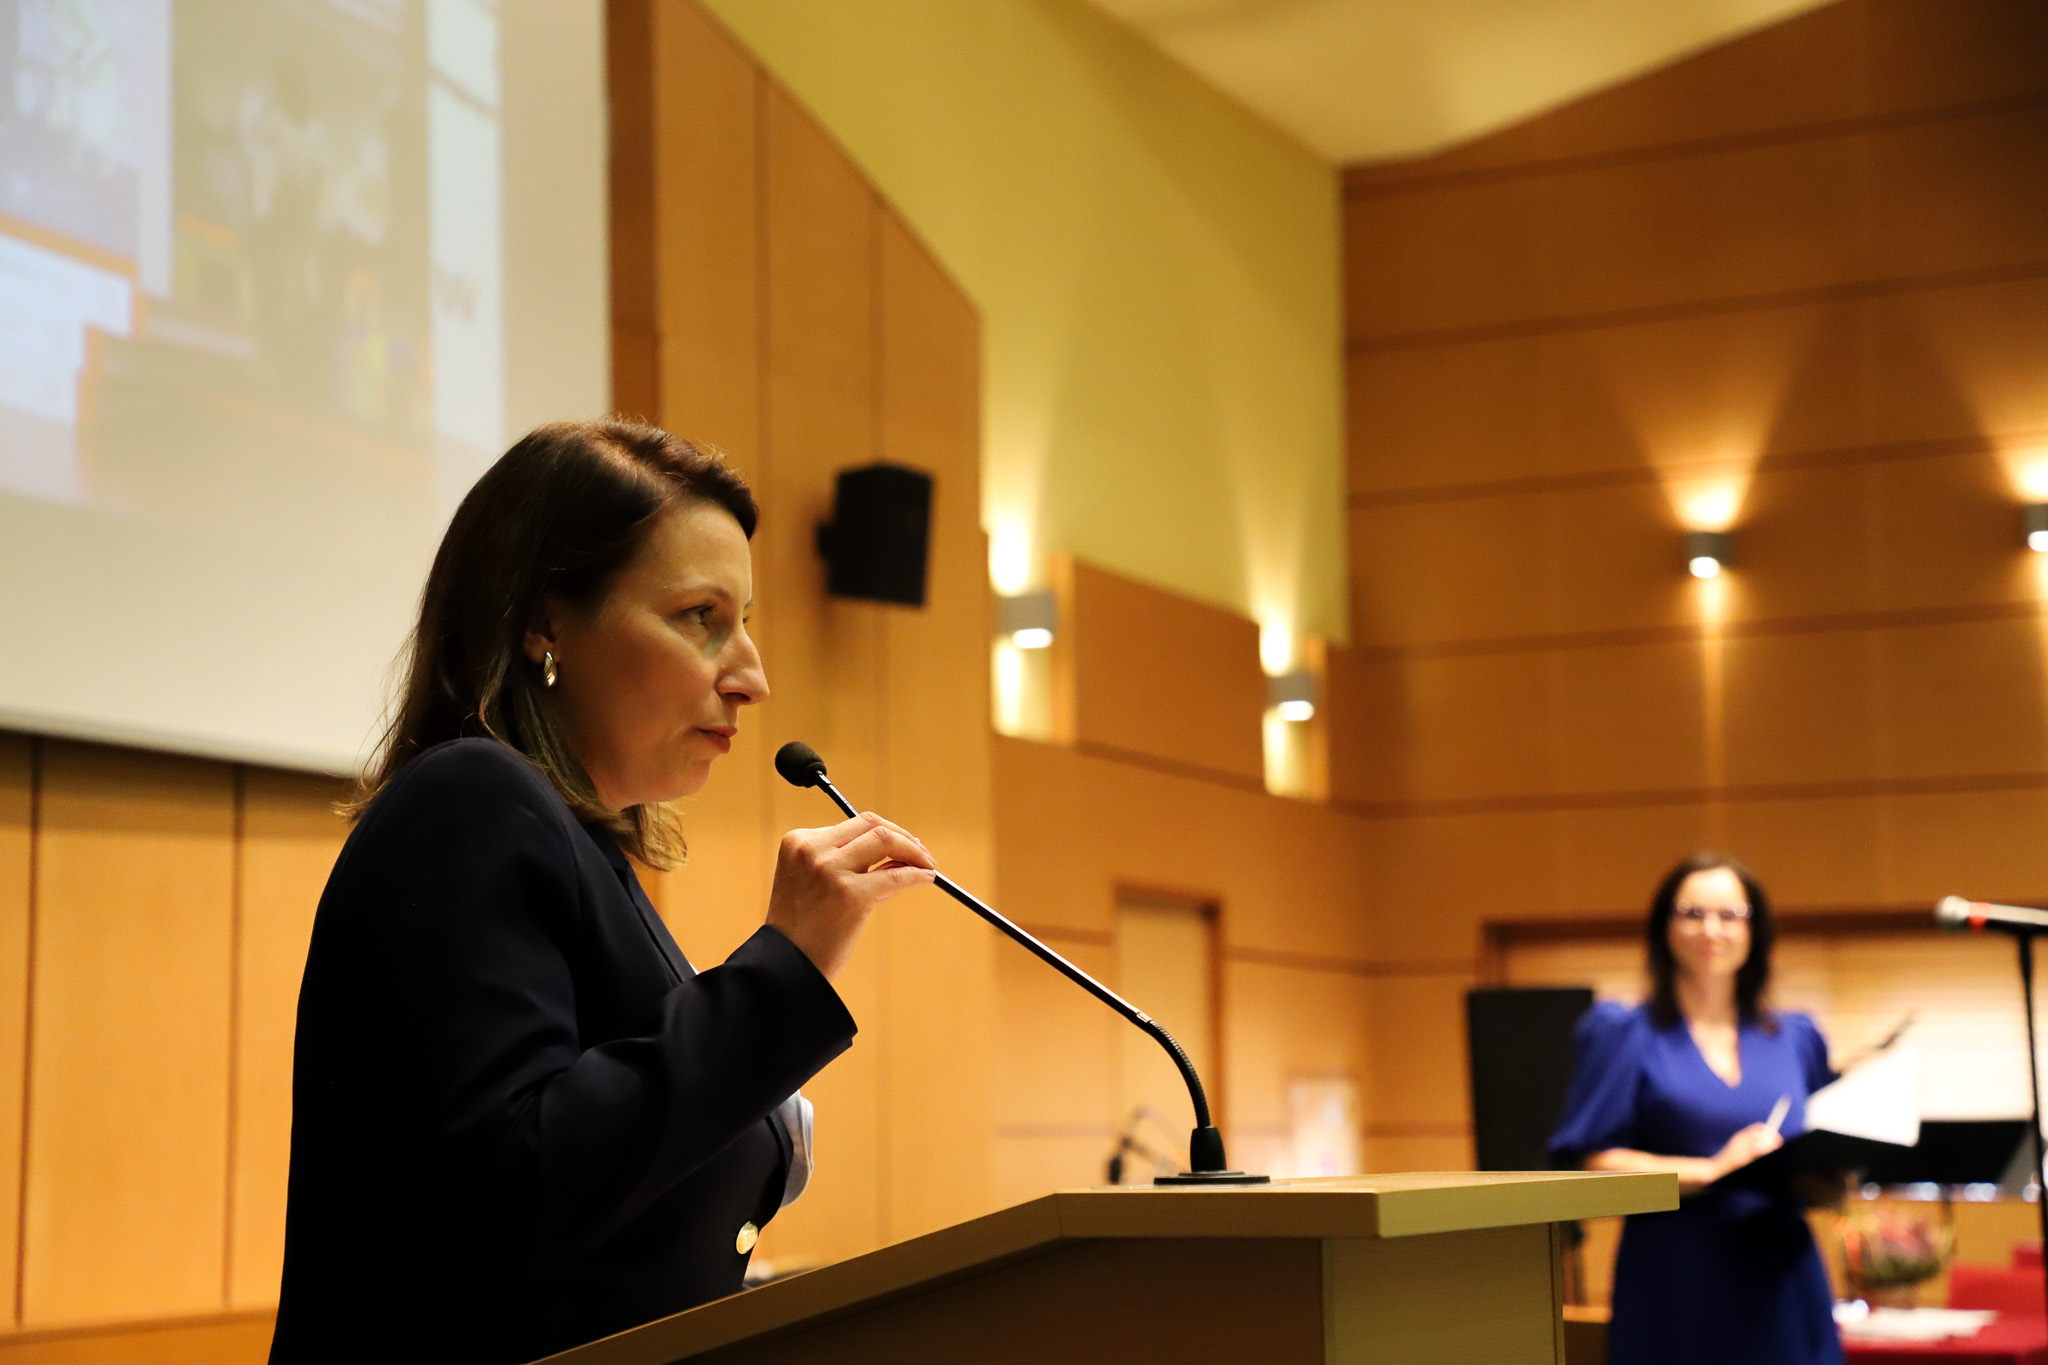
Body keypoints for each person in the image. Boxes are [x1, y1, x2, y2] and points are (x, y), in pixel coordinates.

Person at [269, 421, 938, 1364]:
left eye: (745, 621)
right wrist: (783, 967)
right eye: (700, 616)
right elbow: (506, 1190)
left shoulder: (582, 850)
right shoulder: (472, 798)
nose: (752, 676)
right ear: (545, 623)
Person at [1548, 854, 1842, 1365]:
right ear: (1664, 927)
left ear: (1755, 931)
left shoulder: (1798, 1035)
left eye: (1730, 915)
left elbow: (1826, 1145)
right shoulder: (1623, 1032)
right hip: (1677, 1281)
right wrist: (1712, 1170)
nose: (1711, 929)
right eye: (1692, 913)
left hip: (1784, 1281)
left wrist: (1831, 1177)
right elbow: (1591, 1163)